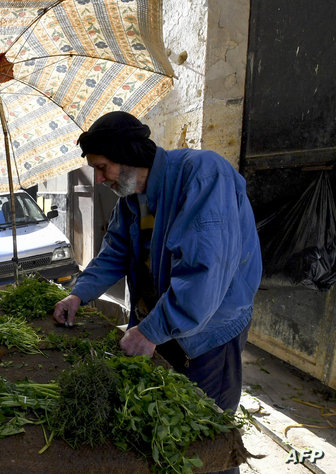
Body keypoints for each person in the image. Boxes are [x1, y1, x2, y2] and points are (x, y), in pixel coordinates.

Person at [53, 111, 262, 418]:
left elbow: (204, 272)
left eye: (101, 167)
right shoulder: (131, 199)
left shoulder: (204, 175)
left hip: (207, 336)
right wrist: (78, 294)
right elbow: (114, 253)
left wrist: (151, 330)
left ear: (127, 156)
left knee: (203, 432)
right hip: (159, 325)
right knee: (162, 421)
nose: (98, 179)